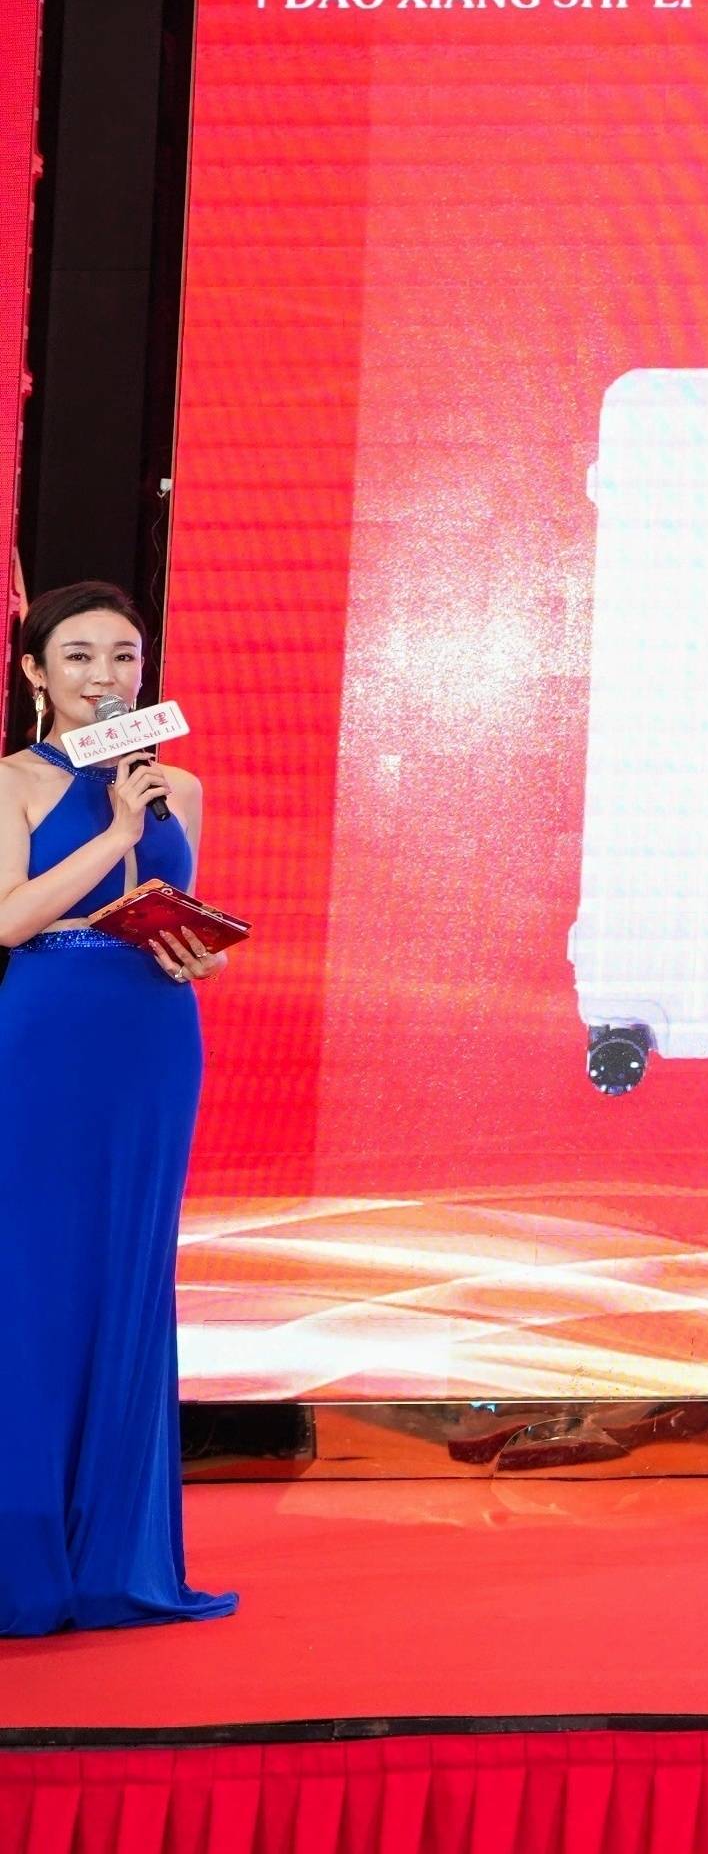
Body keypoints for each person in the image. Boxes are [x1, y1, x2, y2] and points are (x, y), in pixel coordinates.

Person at [0, 581, 236, 1634]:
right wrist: (113, 832)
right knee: (33, 1277)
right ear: (35, 671)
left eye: (125, 656)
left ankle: (112, 1554)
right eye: (80, 655)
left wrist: (192, 953)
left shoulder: (178, 784)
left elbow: (173, 907)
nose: (106, 675)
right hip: (47, 1036)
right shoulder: (11, 782)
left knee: (128, 1274)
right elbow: (9, 920)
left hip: (152, 1041)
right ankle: (25, 1551)